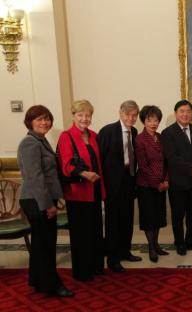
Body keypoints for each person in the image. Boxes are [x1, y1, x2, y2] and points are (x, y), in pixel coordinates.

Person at [17, 105, 73, 297]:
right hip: (36, 200)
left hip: (40, 198)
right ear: (30, 122)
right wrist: (47, 205)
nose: (44, 122)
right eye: (39, 119)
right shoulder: (30, 143)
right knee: (46, 244)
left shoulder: (40, 140)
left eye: (47, 118)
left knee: (41, 243)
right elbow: (35, 177)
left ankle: (37, 280)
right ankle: (52, 285)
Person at [58, 100, 106, 282]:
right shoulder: (66, 136)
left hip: (94, 190)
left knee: (95, 230)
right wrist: (86, 174)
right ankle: (82, 271)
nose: (84, 118)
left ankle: (96, 266)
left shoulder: (94, 136)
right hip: (78, 192)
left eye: (87, 115)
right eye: (81, 115)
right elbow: (66, 164)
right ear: (74, 116)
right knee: (81, 234)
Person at [98, 100, 142, 273]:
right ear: (120, 113)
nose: (131, 118)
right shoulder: (108, 131)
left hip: (128, 180)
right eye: (128, 115)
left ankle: (125, 251)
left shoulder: (135, 131)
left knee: (127, 219)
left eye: (134, 115)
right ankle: (112, 258)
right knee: (113, 221)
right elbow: (99, 160)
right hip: (112, 183)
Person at [161, 100, 192, 256]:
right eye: (182, 111)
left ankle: (191, 240)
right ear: (176, 113)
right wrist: (191, 169)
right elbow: (172, 157)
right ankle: (180, 243)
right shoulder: (168, 133)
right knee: (178, 214)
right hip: (178, 182)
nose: (185, 114)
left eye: (188, 111)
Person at [135, 105, 169, 262]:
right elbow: (143, 166)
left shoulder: (161, 138)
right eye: (150, 120)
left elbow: (166, 161)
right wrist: (157, 184)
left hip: (162, 184)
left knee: (158, 217)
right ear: (144, 120)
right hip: (147, 186)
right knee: (149, 218)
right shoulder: (140, 139)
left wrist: (166, 180)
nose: (154, 123)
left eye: (156, 120)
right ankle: (150, 248)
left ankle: (156, 245)